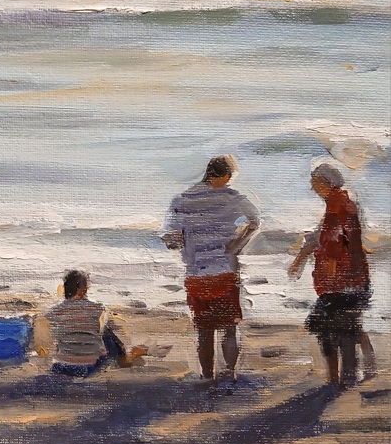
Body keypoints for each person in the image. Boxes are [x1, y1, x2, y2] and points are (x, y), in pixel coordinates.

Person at [163, 155, 259, 384]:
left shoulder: (182, 199)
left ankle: (207, 376)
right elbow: (255, 220)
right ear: (223, 176)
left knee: (204, 330)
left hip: (197, 274)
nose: (229, 182)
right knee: (229, 327)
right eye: (229, 177)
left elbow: (170, 238)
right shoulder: (232, 197)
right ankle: (229, 373)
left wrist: (187, 244)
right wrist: (237, 244)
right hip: (224, 270)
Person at [288, 163, 373, 386]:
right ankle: (348, 374)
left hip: (341, 280)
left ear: (327, 183)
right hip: (351, 279)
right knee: (344, 327)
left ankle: (340, 378)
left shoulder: (338, 205)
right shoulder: (341, 203)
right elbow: (324, 236)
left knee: (331, 329)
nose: (313, 188)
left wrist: (317, 265)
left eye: (315, 183)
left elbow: (333, 240)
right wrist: (302, 257)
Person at [35, 270, 147, 377]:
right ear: (83, 289)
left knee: (66, 334)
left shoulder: (54, 312)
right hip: (91, 367)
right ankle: (126, 359)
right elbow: (114, 328)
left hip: (63, 367)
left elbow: (42, 330)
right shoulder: (98, 308)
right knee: (107, 335)